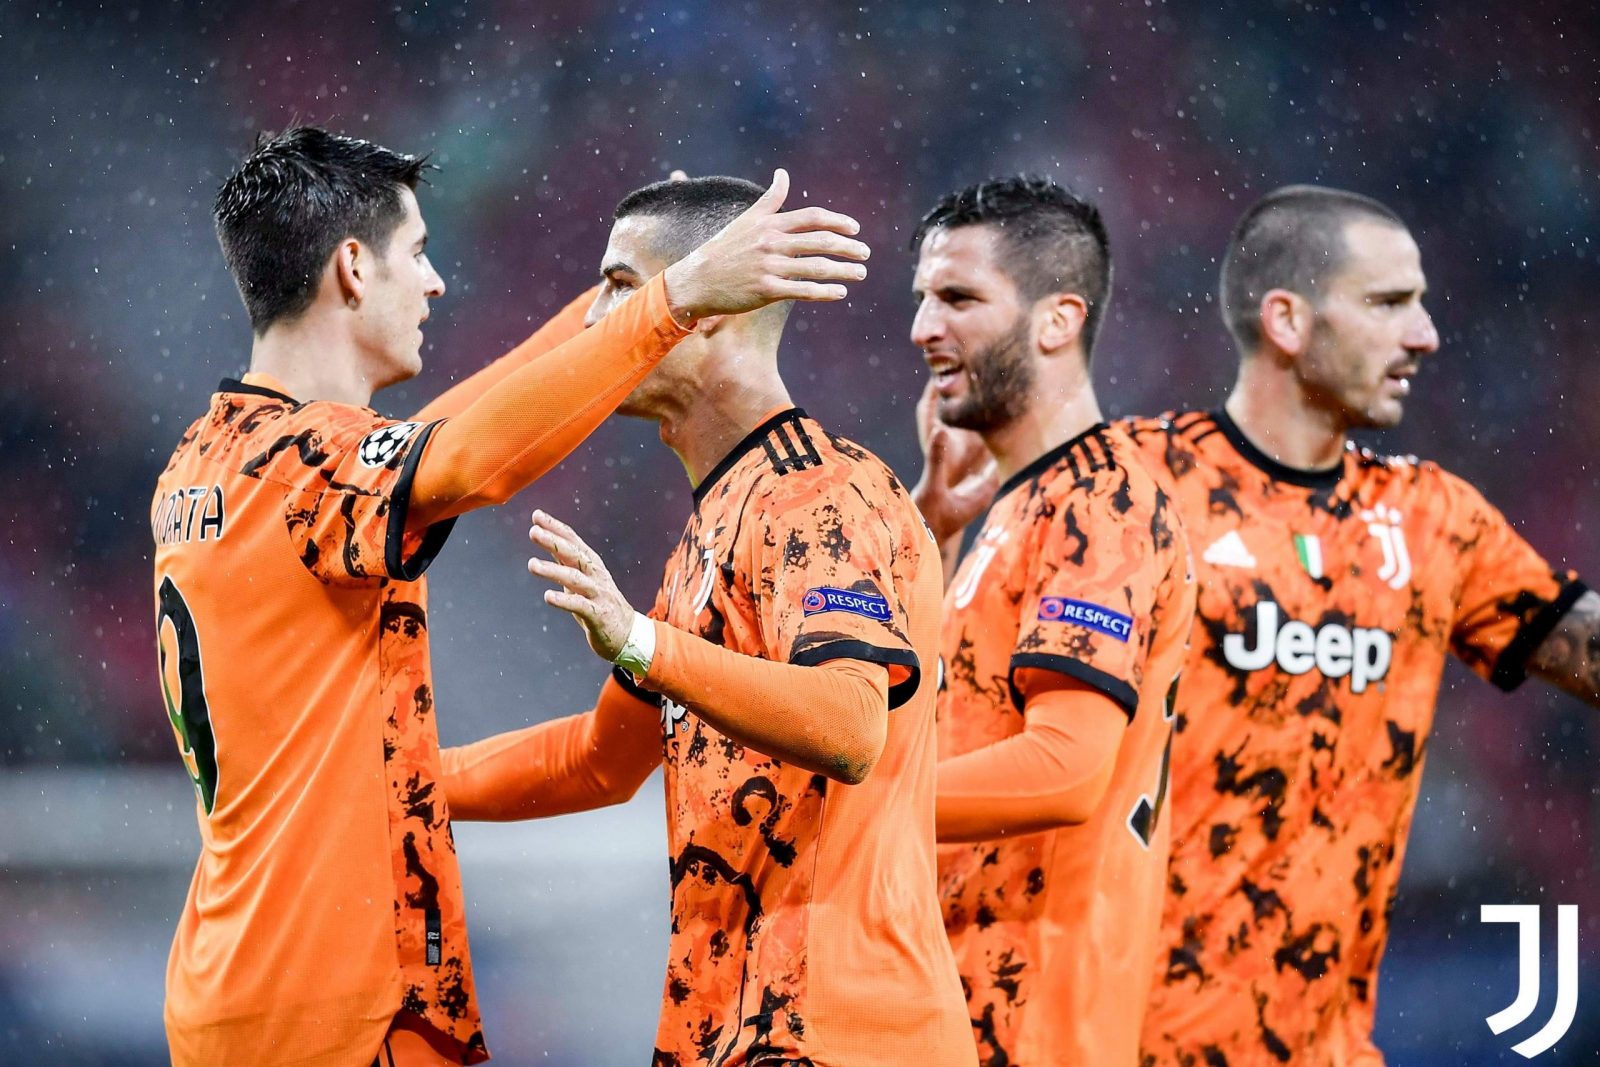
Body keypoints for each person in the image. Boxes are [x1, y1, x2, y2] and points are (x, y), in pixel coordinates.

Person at [151, 127, 865, 1067]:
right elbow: (476, 458)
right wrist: (675, 296)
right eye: (418, 253)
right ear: (354, 268)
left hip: (235, 968)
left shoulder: (216, 457)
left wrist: (633, 287)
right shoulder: (306, 468)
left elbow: (451, 431)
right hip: (330, 994)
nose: (436, 283)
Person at [920, 183, 1600, 1065]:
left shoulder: (1435, 522)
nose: (1424, 334)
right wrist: (937, 532)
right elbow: (970, 697)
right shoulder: (1131, 485)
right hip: (1120, 1034)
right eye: (1389, 303)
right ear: (1286, 320)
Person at [439, 175, 974, 1066]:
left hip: (841, 1033)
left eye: (622, 286)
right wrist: (400, 779)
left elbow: (851, 724)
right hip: (734, 1026)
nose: (593, 322)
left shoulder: (814, 492)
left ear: (717, 306)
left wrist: (641, 641)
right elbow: (598, 761)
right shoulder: (715, 525)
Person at [906, 176, 1197, 1067]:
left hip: (1032, 1021)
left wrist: (855, 802)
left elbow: (1065, 770)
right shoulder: (1019, 503)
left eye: (958, 298)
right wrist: (933, 532)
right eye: (923, 298)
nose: (922, 327)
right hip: (966, 1004)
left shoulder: (1099, 502)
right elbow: (944, 718)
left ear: (1058, 320)